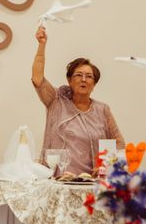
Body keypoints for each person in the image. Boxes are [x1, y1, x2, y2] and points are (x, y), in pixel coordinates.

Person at [31, 26, 125, 176]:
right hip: (59, 181)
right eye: (78, 75)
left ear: (94, 84)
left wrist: (106, 166)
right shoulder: (56, 100)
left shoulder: (103, 110)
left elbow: (119, 144)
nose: (83, 79)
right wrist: (41, 45)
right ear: (69, 80)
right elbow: (37, 78)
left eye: (89, 76)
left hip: (92, 183)